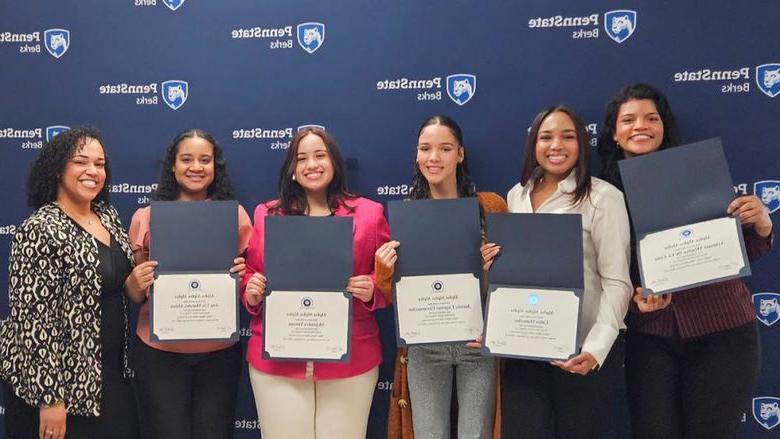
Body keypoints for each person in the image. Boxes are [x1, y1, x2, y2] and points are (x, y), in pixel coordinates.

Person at [597, 83, 774, 439]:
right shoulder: (604, 195)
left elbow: (740, 254)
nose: (640, 126)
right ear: (615, 134)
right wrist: (633, 299)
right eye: (628, 120)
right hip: (652, 339)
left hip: (722, 332)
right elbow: (603, 272)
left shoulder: (701, 173)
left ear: (664, 126)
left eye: (651, 118)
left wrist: (761, 226)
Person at [483, 106, 632, 438]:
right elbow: (515, 279)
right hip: (526, 349)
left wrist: (596, 348)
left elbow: (618, 281)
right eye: (546, 137)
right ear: (533, 144)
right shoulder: (516, 196)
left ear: (581, 143)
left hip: (582, 352)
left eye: (568, 136)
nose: (556, 146)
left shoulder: (603, 198)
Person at [241, 127, 390, 439]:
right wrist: (251, 292)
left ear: (334, 162)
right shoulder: (267, 215)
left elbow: (388, 282)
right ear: (292, 171)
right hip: (278, 364)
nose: (312, 164)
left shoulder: (369, 214)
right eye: (302, 158)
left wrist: (372, 288)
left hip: (350, 362)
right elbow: (250, 275)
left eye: (320, 155)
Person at [0, 127, 138, 439]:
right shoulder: (39, 229)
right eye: (81, 162)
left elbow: (115, 284)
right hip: (62, 386)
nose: (93, 171)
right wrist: (50, 399)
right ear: (58, 168)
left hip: (110, 376)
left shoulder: (108, 215)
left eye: (100, 164)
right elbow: (33, 321)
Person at [376, 115, 505, 439]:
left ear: (460, 154)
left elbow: (510, 284)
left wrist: (495, 267)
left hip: (477, 342)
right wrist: (383, 270)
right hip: (425, 344)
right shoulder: (407, 214)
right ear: (416, 155)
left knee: (476, 435)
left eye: (445, 148)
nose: (434, 158)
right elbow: (392, 295)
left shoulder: (490, 207)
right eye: (425, 149)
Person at [125, 129, 251, 439]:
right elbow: (134, 293)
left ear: (214, 167)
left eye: (204, 160)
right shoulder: (146, 218)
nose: (196, 167)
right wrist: (136, 280)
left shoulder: (235, 217)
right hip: (159, 353)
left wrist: (242, 275)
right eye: (187, 159)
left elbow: (250, 288)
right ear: (172, 165)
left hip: (218, 353)